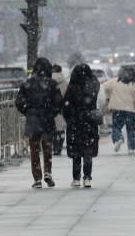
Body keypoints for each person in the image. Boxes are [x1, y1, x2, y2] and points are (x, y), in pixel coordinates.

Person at [15, 57, 63, 188]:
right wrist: (52, 112)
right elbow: (59, 102)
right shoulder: (52, 84)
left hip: (33, 120)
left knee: (34, 150)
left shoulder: (27, 84)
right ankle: (48, 172)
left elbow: (18, 103)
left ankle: (37, 178)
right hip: (47, 119)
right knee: (48, 148)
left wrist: (28, 112)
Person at [61, 64, 105, 188]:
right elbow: (101, 101)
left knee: (76, 150)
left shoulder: (72, 88)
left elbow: (66, 106)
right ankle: (87, 177)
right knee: (88, 150)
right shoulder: (93, 86)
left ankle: (76, 178)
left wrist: (69, 118)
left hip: (75, 123)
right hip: (89, 121)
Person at [103, 67, 135, 154]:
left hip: (117, 109)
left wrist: (107, 97)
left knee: (116, 126)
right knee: (131, 129)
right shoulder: (134, 85)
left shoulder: (114, 81)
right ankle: (131, 148)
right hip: (130, 110)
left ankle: (119, 138)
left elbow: (103, 86)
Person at [51, 64, 69, 155]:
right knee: (61, 129)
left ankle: (54, 147)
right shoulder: (65, 82)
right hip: (62, 109)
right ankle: (59, 147)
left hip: (51, 109)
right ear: (60, 71)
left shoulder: (47, 81)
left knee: (53, 129)